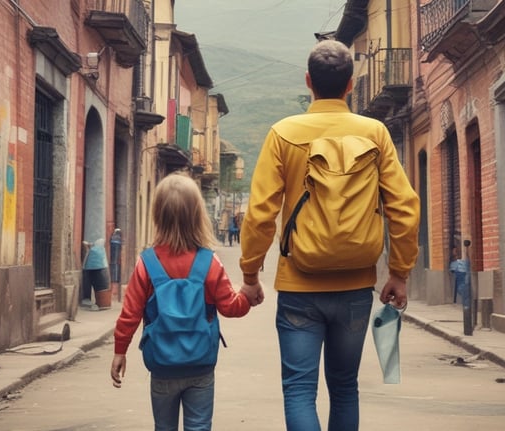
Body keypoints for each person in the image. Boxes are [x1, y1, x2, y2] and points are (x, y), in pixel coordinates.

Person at [238, 39, 420, 431]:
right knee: (345, 388)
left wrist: (250, 275)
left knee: (299, 390)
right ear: (350, 85)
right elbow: (404, 206)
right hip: (355, 285)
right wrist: (399, 272)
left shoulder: (283, 133)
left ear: (308, 81)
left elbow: (260, 213)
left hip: (299, 286)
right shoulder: (375, 133)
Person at [110, 173, 261, 431]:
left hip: (162, 366)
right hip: (200, 365)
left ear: (158, 215)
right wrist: (248, 294)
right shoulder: (209, 262)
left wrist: (119, 351)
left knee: (164, 427)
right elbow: (231, 308)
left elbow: (130, 314)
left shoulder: (146, 264)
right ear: (197, 216)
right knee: (199, 426)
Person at [81, 238, 110, 310]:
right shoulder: (100, 250)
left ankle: (94, 301)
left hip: (93, 268)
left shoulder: (93, 250)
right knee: (101, 287)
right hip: (101, 267)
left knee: (97, 286)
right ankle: (101, 303)